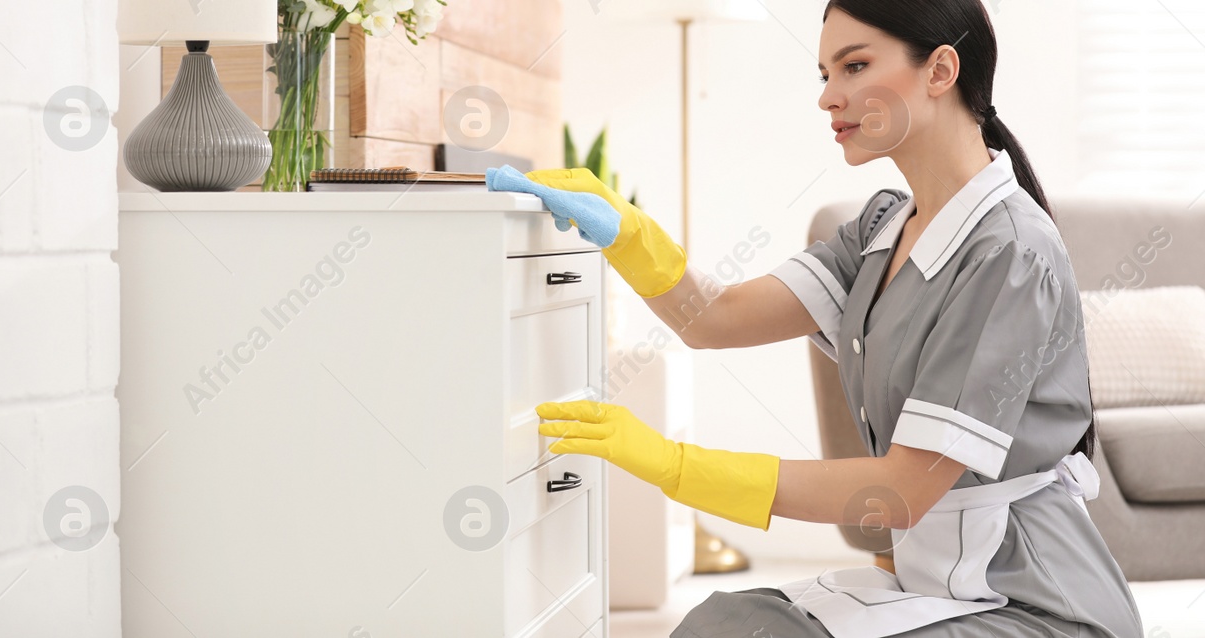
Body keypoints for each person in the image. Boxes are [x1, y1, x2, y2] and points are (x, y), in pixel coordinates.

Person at [485, 1, 1145, 636]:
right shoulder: (883, 228)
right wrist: (627, 232)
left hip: (1033, 606)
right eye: (826, 74)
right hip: (931, 586)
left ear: (941, 70)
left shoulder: (1010, 251)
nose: (828, 97)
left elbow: (905, 489)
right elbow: (716, 317)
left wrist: (676, 467)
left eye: (854, 67)